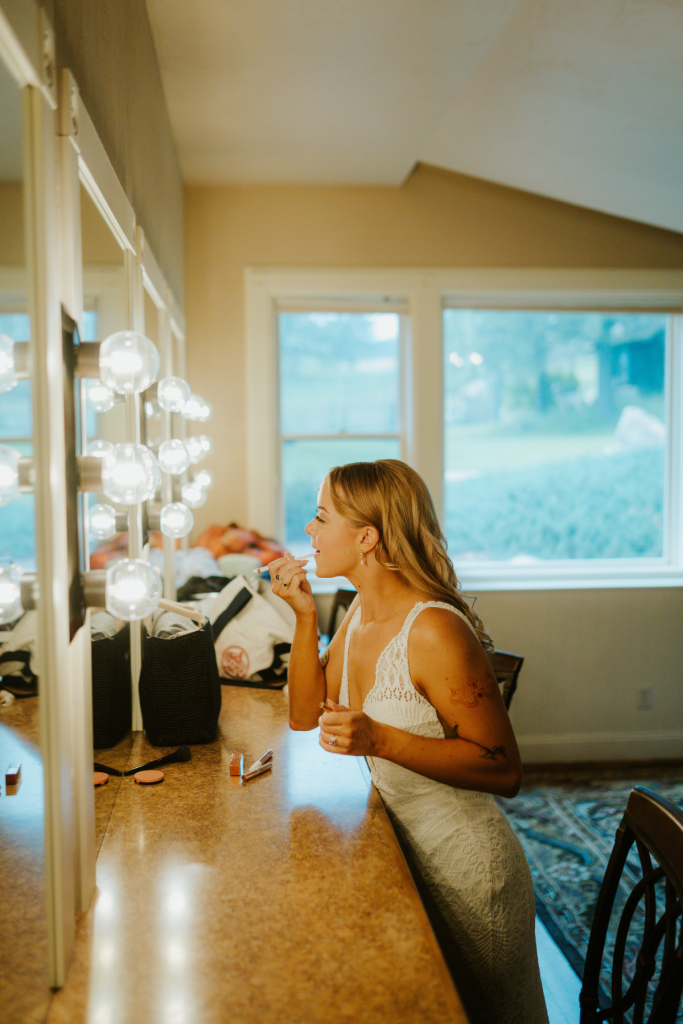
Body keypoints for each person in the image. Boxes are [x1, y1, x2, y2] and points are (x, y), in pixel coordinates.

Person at [268, 459, 548, 1024]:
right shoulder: (358, 613)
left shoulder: (434, 628)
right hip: (404, 855)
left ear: (366, 538)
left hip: (467, 875)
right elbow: (303, 716)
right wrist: (302, 616)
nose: (308, 532)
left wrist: (379, 738)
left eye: (321, 518)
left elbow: (504, 770)